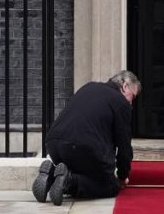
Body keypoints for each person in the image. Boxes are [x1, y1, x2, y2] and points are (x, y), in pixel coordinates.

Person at [32, 70, 140, 205]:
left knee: (82, 171)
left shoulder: (88, 87)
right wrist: (123, 176)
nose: (131, 103)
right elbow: (124, 145)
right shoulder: (121, 102)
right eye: (133, 96)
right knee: (110, 185)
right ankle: (68, 181)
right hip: (83, 148)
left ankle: (52, 174)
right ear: (125, 86)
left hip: (54, 144)